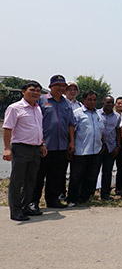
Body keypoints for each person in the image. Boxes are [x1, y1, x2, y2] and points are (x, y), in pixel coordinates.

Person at [3, 81, 46, 221]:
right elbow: (8, 129)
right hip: (21, 148)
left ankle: (26, 207)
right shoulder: (15, 108)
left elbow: (39, 129)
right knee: (17, 181)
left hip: (35, 148)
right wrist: (7, 149)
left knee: (31, 180)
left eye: (38, 91)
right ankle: (16, 211)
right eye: (32, 90)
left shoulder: (38, 108)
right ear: (23, 91)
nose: (35, 93)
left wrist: (42, 145)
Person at [31, 74, 75, 210]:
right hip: (44, 146)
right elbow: (36, 122)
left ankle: (52, 200)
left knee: (56, 175)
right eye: (58, 85)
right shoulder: (41, 100)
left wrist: (71, 142)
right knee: (38, 175)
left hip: (61, 145)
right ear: (51, 86)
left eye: (63, 86)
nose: (61, 88)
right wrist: (40, 142)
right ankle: (33, 201)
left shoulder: (67, 103)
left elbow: (71, 124)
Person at [67, 90, 105, 206]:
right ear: (84, 100)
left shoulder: (98, 114)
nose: (92, 102)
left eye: (94, 100)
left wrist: (102, 144)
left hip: (96, 150)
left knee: (91, 176)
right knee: (76, 176)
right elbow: (71, 131)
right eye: (89, 99)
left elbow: (101, 130)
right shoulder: (77, 113)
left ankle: (85, 198)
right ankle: (72, 199)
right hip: (81, 150)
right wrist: (72, 144)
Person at [97, 95, 121, 201]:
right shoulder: (96, 113)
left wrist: (118, 146)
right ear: (103, 102)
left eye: (112, 103)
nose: (110, 104)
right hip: (98, 147)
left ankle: (105, 194)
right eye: (108, 102)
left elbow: (118, 131)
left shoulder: (117, 116)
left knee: (107, 172)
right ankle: (88, 193)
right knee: (93, 171)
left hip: (111, 147)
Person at [114, 96, 122, 194]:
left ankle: (119, 188)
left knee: (121, 167)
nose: (120, 105)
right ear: (115, 105)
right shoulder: (112, 115)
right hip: (110, 144)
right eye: (118, 103)